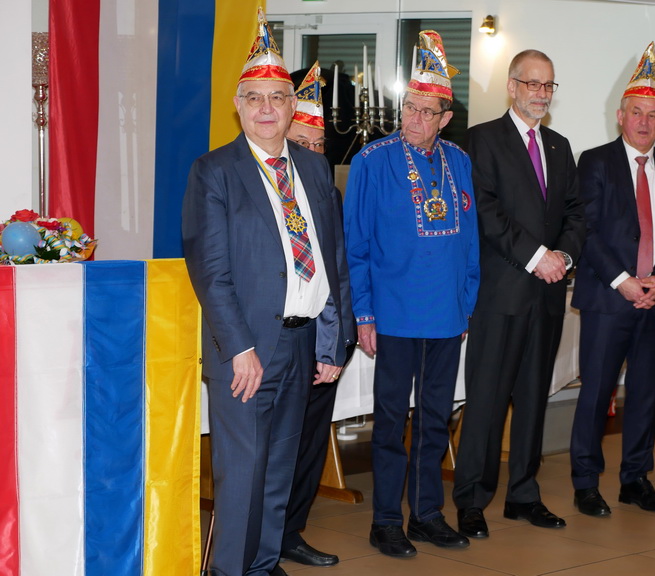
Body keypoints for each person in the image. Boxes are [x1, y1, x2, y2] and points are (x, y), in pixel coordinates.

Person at [182, 10, 354, 576]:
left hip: (302, 346)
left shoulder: (314, 169)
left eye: (277, 98)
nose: (265, 109)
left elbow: (331, 262)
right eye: (254, 98)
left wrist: (332, 341)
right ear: (238, 106)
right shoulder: (214, 172)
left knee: (279, 472)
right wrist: (239, 347)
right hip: (247, 352)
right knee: (243, 475)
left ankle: (260, 566)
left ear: (291, 106)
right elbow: (211, 272)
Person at [344, 30, 480, 557]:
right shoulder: (372, 161)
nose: (414, 119)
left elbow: (471, 243)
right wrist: (364, 313)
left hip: (447, 316)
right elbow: (357, 246)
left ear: (445, 118)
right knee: (389, 423)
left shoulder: (459, 161)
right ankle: (385, 520)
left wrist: (466, 303)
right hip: (394, 316)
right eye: (409, 108)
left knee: (434, 419)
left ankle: (426, 514)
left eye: (426, 111)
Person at [451, 49, 585, 537]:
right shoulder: (481, 140)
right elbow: (485, 211)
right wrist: (537, 257)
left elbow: (576, 213)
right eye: (532, 84)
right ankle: (471, 499)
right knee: (486, 401)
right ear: (512, 87)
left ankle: (524, 494)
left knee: (532, 400)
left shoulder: (559, 146)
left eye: (548, 85)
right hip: (500, 295)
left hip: (547, 297)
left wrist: (563, 256)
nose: (541, 94)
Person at [568, 42, 655, 518]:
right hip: (609, 299)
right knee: (597, 394)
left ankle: (635, 479)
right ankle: (585, 482)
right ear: (619, 116)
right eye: (636, 112)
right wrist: (623, 280)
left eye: (653, 114)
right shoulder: (595, 161)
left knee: (644, 395)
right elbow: (587, 230)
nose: (644, 121)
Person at [276, 61, 346, 568]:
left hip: (325, 340)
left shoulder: (329, 192)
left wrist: (338, 338)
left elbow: (339, 269)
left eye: (320, 145)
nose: (312, 153)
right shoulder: (265, 190)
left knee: (310, 444)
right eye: (303, 142)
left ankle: (292, 531)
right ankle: (262, 539)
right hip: (281, 338)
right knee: (277, 446)